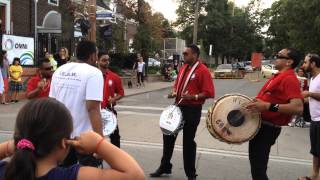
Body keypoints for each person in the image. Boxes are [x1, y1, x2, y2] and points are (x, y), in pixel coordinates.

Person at [0, 98, 145, 180]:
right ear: (64, 143)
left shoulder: (5, 171)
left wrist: (9, 147)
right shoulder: (71, 177)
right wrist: (99, 144)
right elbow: (135, 175)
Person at [150, 44, 215, 180]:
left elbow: (209, 92)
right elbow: (178, 84)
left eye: (186, 53)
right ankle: (165, 166)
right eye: (184, 53)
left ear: (195, 55)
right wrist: (174, 92)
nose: (184, 55)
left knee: (188, 142)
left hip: (192, 110)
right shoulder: (184, 67)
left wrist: (194, 97)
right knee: (168, 136)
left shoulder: (203, 70)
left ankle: (191, 174)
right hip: (178, 107)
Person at [246, 48, 304, 180]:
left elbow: (298, 107)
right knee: (257, 169)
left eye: (279, 56)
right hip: (261, 126)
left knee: (259, 171)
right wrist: (258, 102)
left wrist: (267, 106)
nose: (275, 57)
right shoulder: (279, 75)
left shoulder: (289, 78)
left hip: (267, 128)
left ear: (289, 62)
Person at [49, 40, 104, 167]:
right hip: (85, 139)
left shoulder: (60, 70)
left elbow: (51, 104)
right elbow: (93, 109)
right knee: (89, 173)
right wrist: (100, 142)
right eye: (96, 54)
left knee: (63, 174)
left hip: (62, 136)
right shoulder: (94, 73)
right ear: (92, 56)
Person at [299, 54, 320, 180]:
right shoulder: (312, 79)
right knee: (315, 150)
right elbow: (312, 99)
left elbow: (314, 95)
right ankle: (314, 176)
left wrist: (310, 94)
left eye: (306, 62)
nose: (303, 65)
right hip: (314, 120)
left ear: (313, 64)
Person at [98, 51, 125, 148]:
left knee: (115, 137)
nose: (107, 62)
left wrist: (114, 99)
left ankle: (117, 159)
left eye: (108, 60)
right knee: (96, 137)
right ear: (98, 61)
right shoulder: (92, 76)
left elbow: (121, 93)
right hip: (95, 111)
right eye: (104, 60)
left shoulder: (114, 77)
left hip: (109, 111)